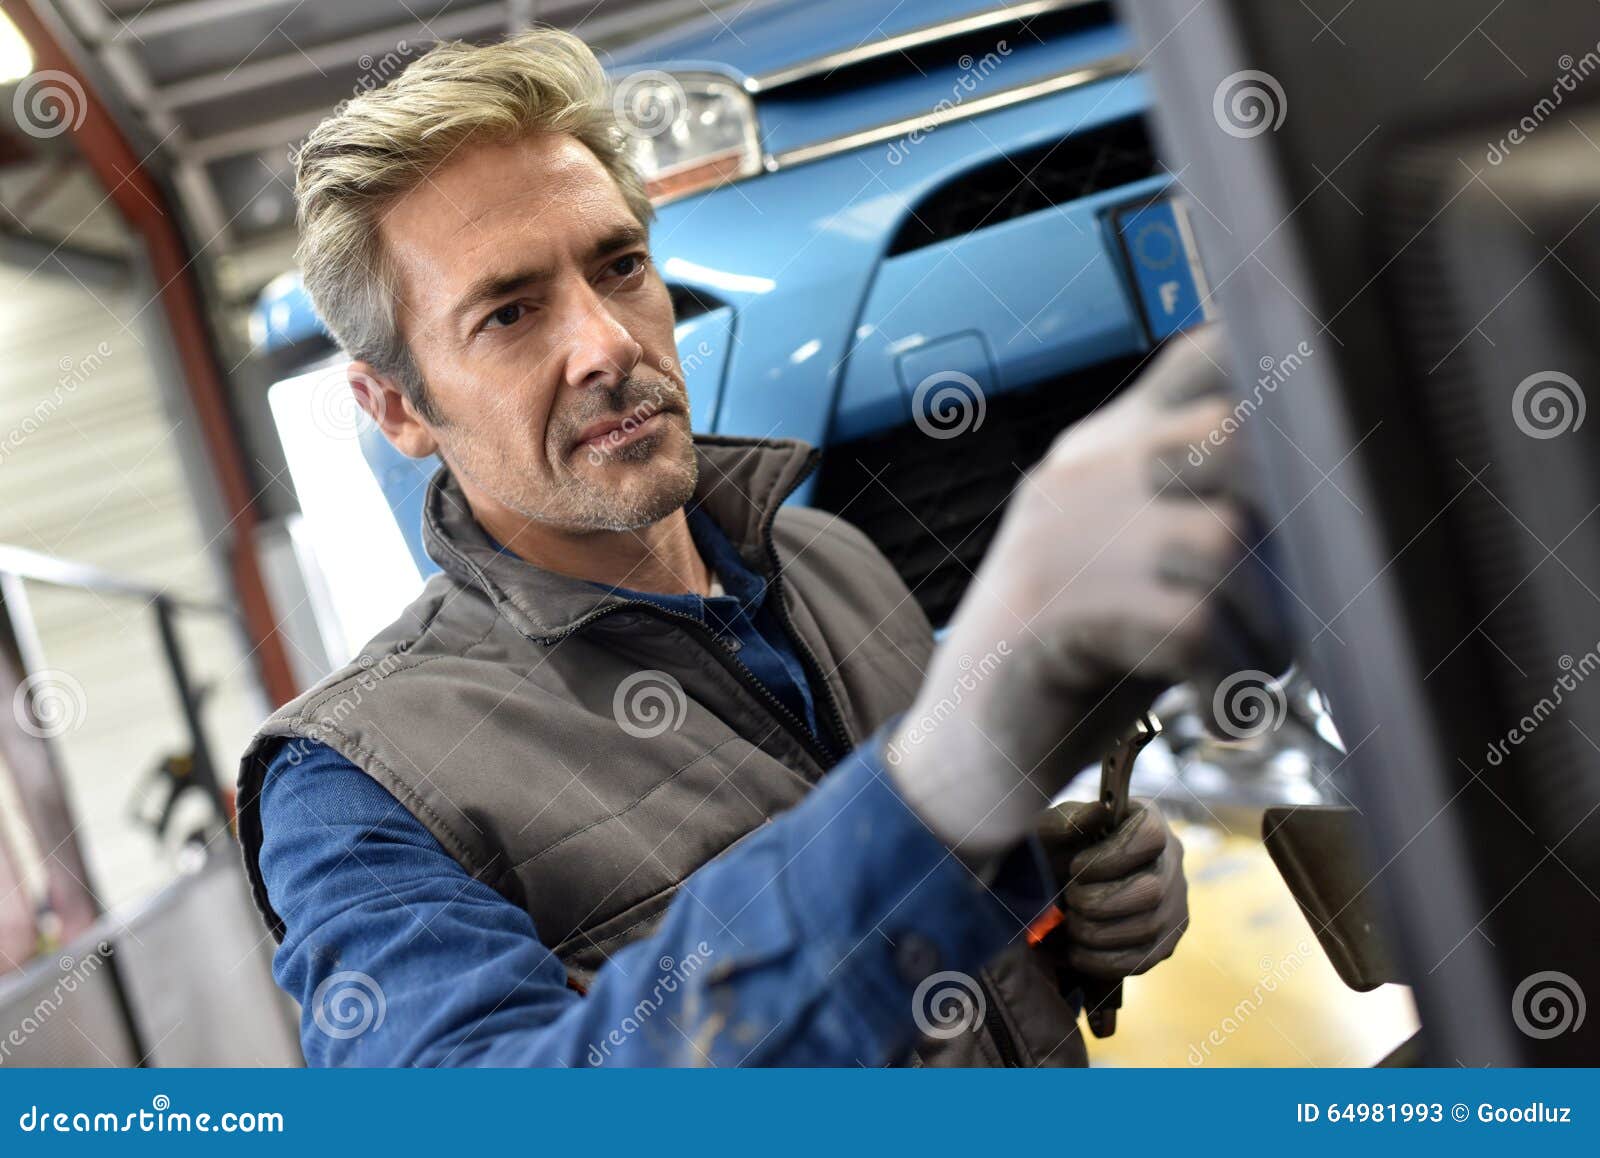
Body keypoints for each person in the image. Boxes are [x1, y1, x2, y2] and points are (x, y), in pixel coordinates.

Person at [237, 29, 1247, 1067]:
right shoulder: (352, 786)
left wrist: (1042, 911)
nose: (609, 343)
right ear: (397, 405)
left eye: (620, 265)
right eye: (509, 313)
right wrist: (934, 791)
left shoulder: (828, 561)